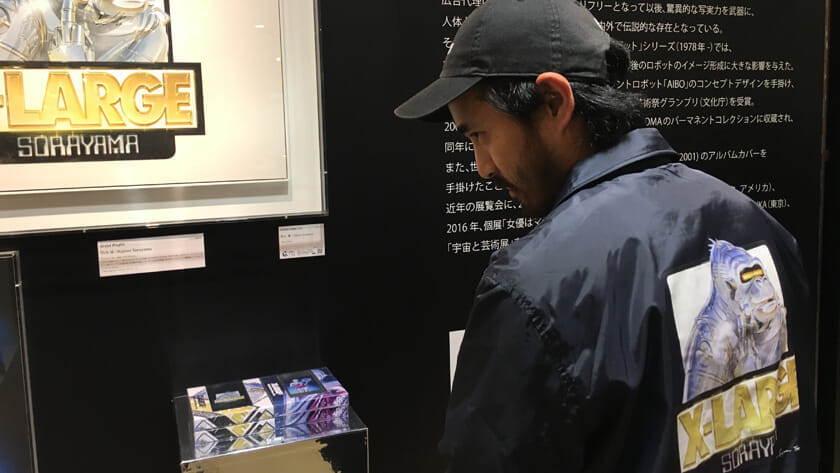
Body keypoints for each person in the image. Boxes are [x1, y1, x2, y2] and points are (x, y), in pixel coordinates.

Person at [394, 0, 817, 472]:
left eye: (479, 135)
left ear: (553, 103)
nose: (482, 166)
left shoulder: (534, 288)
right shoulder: (760, 228)